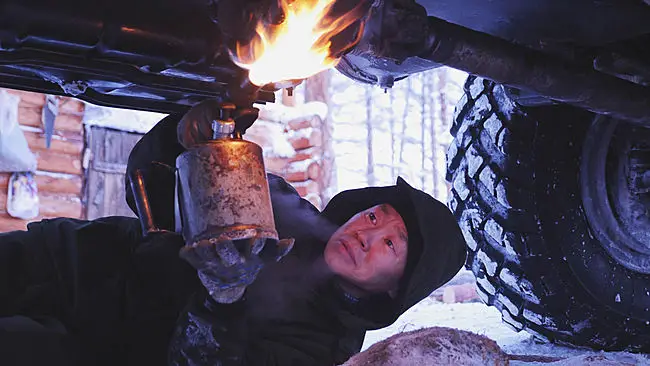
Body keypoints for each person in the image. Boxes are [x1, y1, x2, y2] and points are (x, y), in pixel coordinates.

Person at [0, 107, 467, 366]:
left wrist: (222, 297)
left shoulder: (321, 351)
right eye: (373, 216)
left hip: (88, 348)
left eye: (391, 244)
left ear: (394, 290)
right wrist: (183, 137)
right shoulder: (270, 205)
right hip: (63, 261)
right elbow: (149, 189)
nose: (367, 234)